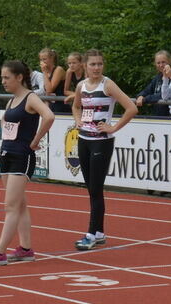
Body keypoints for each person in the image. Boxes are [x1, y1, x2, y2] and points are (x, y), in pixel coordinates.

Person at [0, 61, 54, 266]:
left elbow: (49, 116)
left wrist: (35, 141)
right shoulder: (13, 100)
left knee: (10, 206)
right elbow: (4, 120)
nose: (3, 82)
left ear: (19, 77)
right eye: (2, 78)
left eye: (6, 78)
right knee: (19, 204)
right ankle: (26, 249)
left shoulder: (31, 98)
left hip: (22, 156)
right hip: (7, 153)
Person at [71, 49, 137, 250]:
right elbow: (76, 107)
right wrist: (77, 121)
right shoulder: (81, 86)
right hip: (84, 140)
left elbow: (132, 108)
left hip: (102, 141)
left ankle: (91, 234)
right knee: (91, 189)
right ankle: (99, 232)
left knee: (96, 189)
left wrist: (113, 127)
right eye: (93, 64)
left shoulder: (107, 85)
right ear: (85, 66)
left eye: (100, 64)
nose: (97, 68)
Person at [135, 50, 171, 117]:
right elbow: (147, 90)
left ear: (169, 61)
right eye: (158, 63)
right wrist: (140, 96)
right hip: (157, 117)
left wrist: (145, 99)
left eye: (163, 62)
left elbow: (164, 95)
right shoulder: (157, 77)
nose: (161, 65)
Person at [39, 48, 67, 112]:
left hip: (61, 104)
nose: (42, 62)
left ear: (51, 59)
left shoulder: (58, 69)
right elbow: (46, 92)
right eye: (41, 60)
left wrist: (44, 72)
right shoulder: (46, 72)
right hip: (50, 104)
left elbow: (49, 90)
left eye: (44, 59)